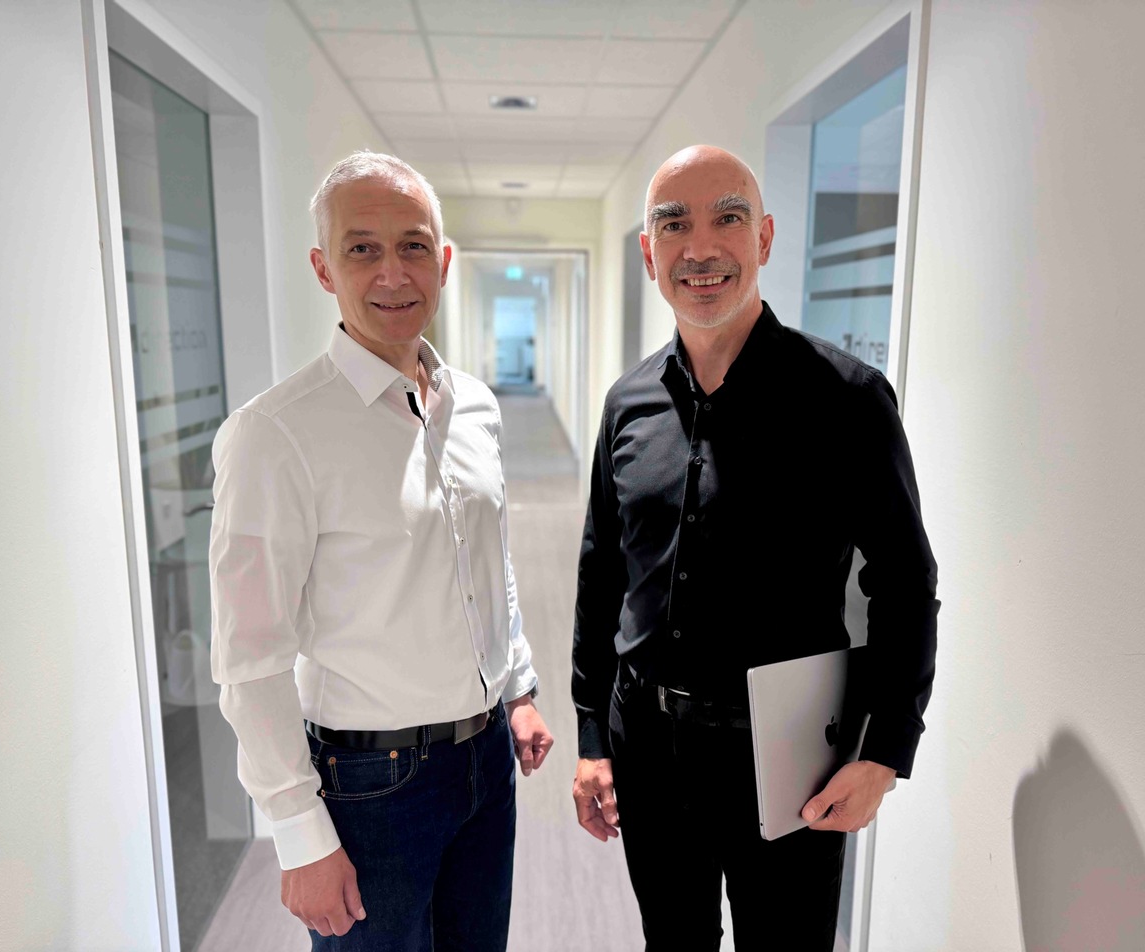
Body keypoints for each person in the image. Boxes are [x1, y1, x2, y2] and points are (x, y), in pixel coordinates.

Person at [570, 145, 939, 950]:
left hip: (789, 757)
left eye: (727, 218)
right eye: (675, 225)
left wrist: (885, 751)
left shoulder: (846, 399)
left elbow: (905, 582)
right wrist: (593, 736)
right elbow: (603, 574)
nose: (700, 248)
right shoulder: (628, 404)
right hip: (648, 745)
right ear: (649, 254)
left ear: (764, 238)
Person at [210, 151, 553, 951]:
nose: (392, 272)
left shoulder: (473, 406)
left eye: (412, 246)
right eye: (362, 248)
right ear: (323, 268)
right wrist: (299, 832)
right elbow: (249, 657)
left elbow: (488, 563)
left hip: (486, 764)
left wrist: (518, 688)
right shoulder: (276, 434)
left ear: (444, 261)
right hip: (371, 787)